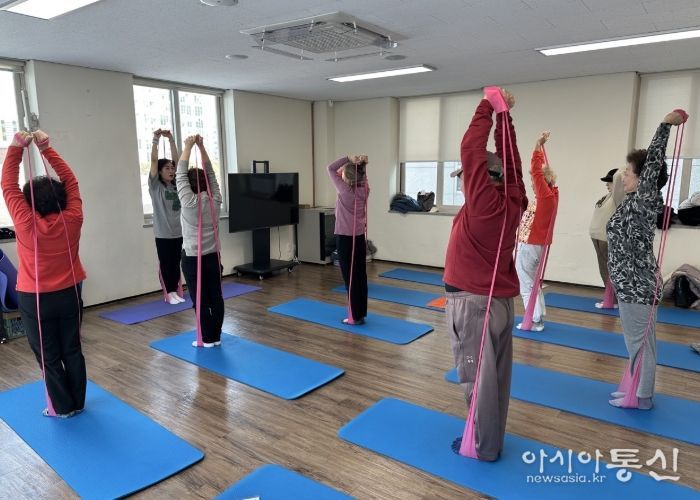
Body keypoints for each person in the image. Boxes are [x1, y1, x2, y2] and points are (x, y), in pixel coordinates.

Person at [443, 88, 526, 461]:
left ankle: (482, 446)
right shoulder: (513, 198)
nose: (464, 181)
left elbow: (470, 149)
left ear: (480, 179)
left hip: (473, 305)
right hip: (499, 304)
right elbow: (513, 162)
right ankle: (490, 438)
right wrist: (504, 117)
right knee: (495, 378)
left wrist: (486, 107)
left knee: (476, 379)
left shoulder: (484, 205)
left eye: (465, 177)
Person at [1, 130, 87, 418]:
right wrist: (46, 147)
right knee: (72, 348)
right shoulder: (73, 217)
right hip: (70, 293)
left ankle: (62, 408)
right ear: (61, 197)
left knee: (48, 355)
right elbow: (71, 180)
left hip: (35, 298)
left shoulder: (25, 221)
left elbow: (7, 183)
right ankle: (77, 402)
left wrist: (17, 146)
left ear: (29, 202)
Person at [606, 109, 687, 410]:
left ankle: (641, 398)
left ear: (643, 178)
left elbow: (652, 162)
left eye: (628, 172)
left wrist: (664, 125)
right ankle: (637, 390)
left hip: (636, 286)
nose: (623, 176)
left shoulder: (644, 199)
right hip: (634, 284)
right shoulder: (632, 202)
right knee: (641, 343)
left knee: (639, 344)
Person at [177, 135, 223, 347]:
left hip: (192, 258)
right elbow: (211, 174)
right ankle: (216, 336)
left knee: (200, 299)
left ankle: (206, 338)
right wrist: (201, 147)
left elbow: (180, 174)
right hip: (212, 256)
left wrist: (188, 147)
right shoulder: (215, 200)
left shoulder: (188, 201)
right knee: (216, 297)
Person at [515, 131, 559, 331]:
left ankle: (533, 320)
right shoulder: (553, 194)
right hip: (534, 245)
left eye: (534, 181)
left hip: (530, 245)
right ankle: (538, 316)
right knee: (532, 283)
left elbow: (535, 171)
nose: (532, 183)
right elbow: (539, 172)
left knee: (526, 285)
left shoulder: (546, 198)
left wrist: (537, 145)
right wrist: (541, 151)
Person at [327, 154, 369, 325]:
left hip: (345, 239)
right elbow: (360, 176)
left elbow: (331, 169)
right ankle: (361, 313)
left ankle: (354, 317)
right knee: (360, 276)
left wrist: (348, 158)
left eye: (343, 173)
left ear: (346, 177)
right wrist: (360, 164)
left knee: (349, 278)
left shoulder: (345, 191)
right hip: (359, 238)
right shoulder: (364, 190)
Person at [149, 129, 184, 305]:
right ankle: (168, 292)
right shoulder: (156, 186)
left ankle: (174, 291)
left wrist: (171, 139)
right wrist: (156, 140)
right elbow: (154, 161)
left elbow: (179, 162)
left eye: (172, 168)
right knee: (166, 263)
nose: (171, 170)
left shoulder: (177, 185)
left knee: (176, 263)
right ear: (160, 171)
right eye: (167, 168)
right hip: (163, 233)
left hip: (178, 232)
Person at [589, 167, 624, 308]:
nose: (606, 184)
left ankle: (613, 301)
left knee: (609, 271)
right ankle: (610, 299)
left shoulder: (618, 197)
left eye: (609, 182)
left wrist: (626, 166)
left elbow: (619, 177)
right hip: (598, 238)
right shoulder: (607, 197)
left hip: (606, 240)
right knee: (604, 270)